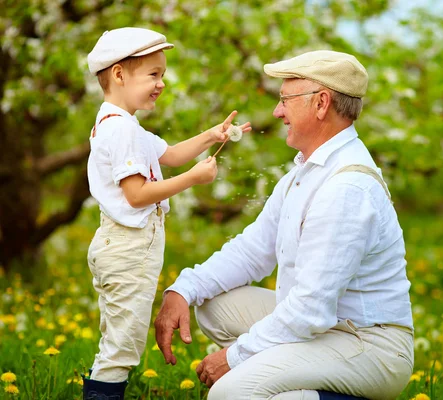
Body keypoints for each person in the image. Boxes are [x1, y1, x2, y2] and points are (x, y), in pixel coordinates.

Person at [154, 50, 414, 400]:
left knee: (229, 393)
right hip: (327, 329)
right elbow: (252, 251)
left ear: (321, 103)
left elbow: (309, 309)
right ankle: (292, 385)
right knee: (213, 307)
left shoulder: (347, 189)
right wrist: (182, 289)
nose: (277, 112)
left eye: (285, 100)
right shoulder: (305, 173)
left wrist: (234, 357)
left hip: (369, 346)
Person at [83, 27, 250, 399]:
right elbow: (138, 194)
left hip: (123, 247)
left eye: (163, 75)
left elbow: (170, 154)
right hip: (127, 250)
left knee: (118, 342)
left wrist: (212, 135)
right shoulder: (121, 130)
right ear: (119, 75)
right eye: (153, 75)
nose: (161, 84)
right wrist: (192, 179)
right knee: (120, 350)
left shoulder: (125, 125)